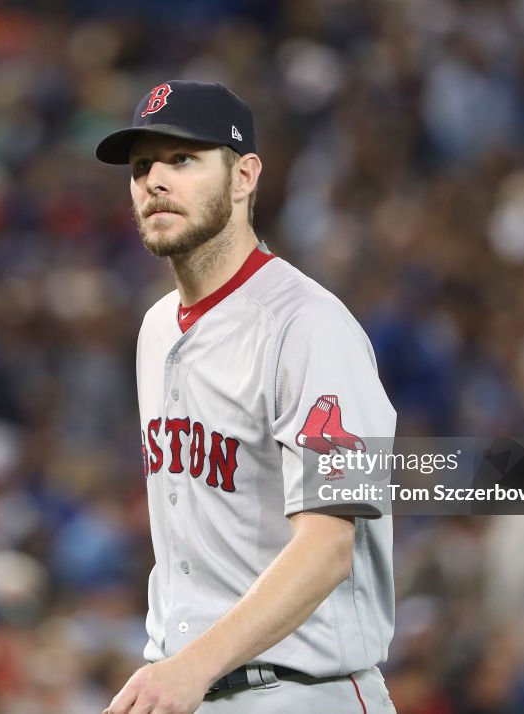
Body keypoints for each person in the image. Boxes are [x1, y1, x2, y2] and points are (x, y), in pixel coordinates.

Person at [95, 80, 397, 714]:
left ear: (244, 176)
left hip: (305, 692)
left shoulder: (311, 326)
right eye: (142, 165)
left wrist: (192, 667)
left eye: (183, 159)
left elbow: (327, 547)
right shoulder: (155, 329)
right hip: (192, 687)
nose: (155, 180)